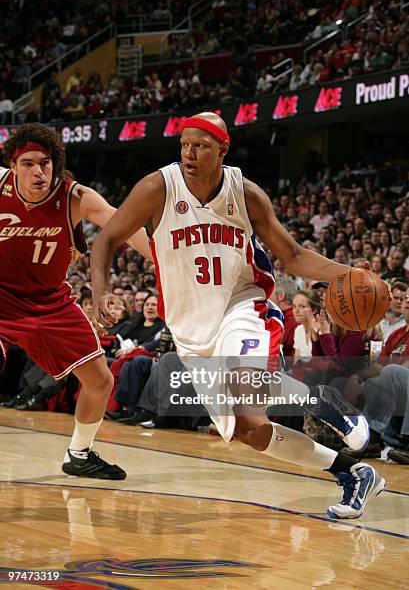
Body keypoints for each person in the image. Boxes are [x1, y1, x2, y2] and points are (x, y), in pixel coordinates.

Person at [91, 112, 384, 519]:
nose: (190, 154)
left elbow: (293, 256)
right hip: (191, 331)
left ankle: (323, 401)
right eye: (185, 145)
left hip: (242, 305)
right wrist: (100, 294)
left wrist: (347, 273)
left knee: (242, 382)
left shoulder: (245, 193)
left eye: (201, 146)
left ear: (223, 150)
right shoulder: (158, 187)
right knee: (250, 430)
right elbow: (105, 239)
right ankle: (353, 474)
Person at [0, 123, 151, 480]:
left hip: (50, 302)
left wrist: (170, 264)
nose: (39, 171)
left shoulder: (76, 198)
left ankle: (80, 454)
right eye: (28, 164)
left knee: (100, 381)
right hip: (2, 299)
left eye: (46, 163)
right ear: (13, 164)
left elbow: (126, 229)